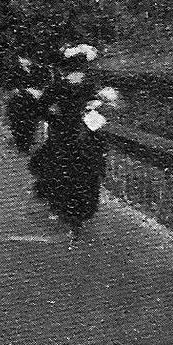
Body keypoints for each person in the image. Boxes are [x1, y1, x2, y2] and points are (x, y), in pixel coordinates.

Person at [28, 44, 118, 235]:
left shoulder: (58, 86)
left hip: (63, 135)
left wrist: (55, 119)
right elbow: (104, 106)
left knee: (62, 172)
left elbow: (40, 108)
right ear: (83, 66)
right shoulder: (91, 86)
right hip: (86, 135)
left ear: (66, 66)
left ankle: (65, 210)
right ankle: (79, 214)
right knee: (86, 174)